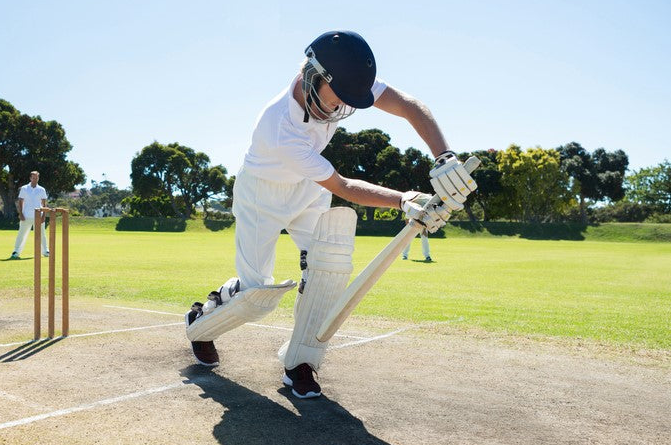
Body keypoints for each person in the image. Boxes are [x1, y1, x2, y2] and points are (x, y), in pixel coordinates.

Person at [183, 31, 475, 399]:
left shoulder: (341, 77)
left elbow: (410, 107)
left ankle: (300, 361)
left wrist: (444, 156)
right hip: (263, 196)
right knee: (255, 297)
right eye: (337, 100)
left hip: (308, 190)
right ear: (313, 77)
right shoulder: (281, 129)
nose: (340, 110)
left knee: (326, 270)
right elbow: (343, 187)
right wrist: (404, 200)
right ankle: (201, 323)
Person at [10, 171, 49, 259]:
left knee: (42, 234)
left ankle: (45, 251)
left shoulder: (41, 189)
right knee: (21, 234)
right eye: (33, 177)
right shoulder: (24, 188)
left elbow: (44, 204)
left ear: (38, 178)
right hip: (26, 215)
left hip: (39, 216)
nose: (35, 179)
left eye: (37, 178)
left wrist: (44, 216)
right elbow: (20, 201)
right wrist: (21, 214)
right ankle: (16, 252)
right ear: (30, 178)